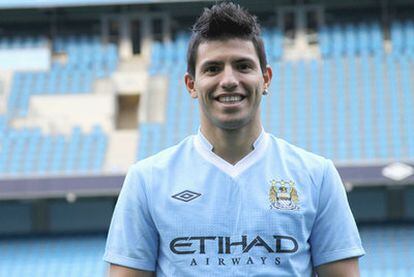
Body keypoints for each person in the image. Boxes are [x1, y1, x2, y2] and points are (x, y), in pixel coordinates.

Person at [103, 2, 365, 276]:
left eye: (243, 66)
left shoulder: (317, 176)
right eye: (213, 69)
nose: (228, 80)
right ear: (191, 85)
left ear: (266, 79)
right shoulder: (147, 180)